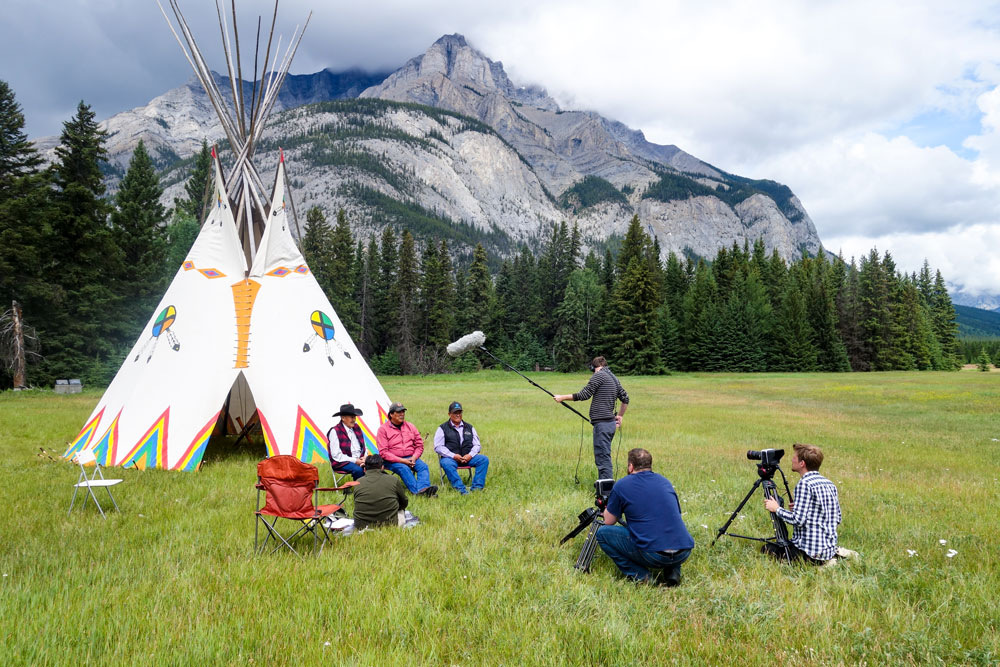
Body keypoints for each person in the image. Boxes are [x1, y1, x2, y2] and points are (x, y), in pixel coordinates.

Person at [595, 448, 694, 586]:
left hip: (653, 554)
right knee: (667, 525)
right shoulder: (665, 482)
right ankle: (673, 573)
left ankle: (643, 577)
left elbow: (608, 521)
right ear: (650, 465)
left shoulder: (622, 485)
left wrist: (608, 508)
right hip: (683, 551)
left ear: (630, 466)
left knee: (602, 534)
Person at [763, 442, 841, 563]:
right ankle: (831, 558)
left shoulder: (804, 484)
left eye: (794, 457)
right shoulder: (830, 484)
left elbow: (798, 520)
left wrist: (776, 508)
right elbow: (837, 518)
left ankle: (815, 563)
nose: (792, 460)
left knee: (767, 549)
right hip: (827, 550)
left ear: (802, 463)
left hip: (810, 553)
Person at [553, 356, 629, 480]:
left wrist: (562, 397)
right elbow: (626, 398)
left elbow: (584, 395)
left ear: (594, 367)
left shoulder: (599, 375)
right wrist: (620, 416)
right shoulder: (614, 378)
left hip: (603, 425)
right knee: (604, 456)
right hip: (609, 424)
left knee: (603, 459)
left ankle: (606, 492)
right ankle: (604, 487)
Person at [375, 402, 437, 496]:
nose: (402, 414)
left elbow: (419, 445)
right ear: (391, 414)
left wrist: (414, 457)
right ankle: (418, 492)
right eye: (399, 412)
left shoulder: (410, 426)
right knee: (404, 468)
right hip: (392, 459)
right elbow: (383, 452)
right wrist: (402, 460)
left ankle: (423, 489)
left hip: (410, 457)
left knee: (423, 467)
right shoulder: (383, 430)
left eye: (403, 411)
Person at [433, 401, 489, 494]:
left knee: (483, 460)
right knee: (446, 463)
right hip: (451, 459)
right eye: (455, 413)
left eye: (459, 412)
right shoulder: (442, 428)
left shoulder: (470, 427)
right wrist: (453, 456)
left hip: (468, 458)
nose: (458, 415)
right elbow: (438, 447)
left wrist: (470, 455)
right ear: (449, 414)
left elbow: (477, 445)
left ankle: (477, 489)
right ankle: (461, 489)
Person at [352, 454, 409, 530]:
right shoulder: (393, 480)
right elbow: (404, 502)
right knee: (401, 512)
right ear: (382, 468)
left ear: (364, 469)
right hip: (390, 524)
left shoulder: (357, 482)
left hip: (361, 526)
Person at [326, 403, 367, 481]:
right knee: (358, 470)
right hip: (342, 462)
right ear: (343, 418)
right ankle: (361, 491)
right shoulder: (335, 431)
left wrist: (364, 457)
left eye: (354, 417)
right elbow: (336, 455)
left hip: (360, 459)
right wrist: (355, 461)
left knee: (376, 467)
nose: (354, 419)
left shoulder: (357, 427)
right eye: (351, 417)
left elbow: (364, 446)